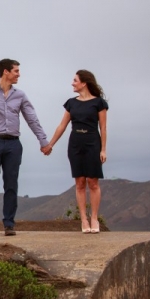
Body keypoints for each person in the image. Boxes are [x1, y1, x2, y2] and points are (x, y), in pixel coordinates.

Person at [0, 59, 50, 237]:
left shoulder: (20, 95)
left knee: (11, 184)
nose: (19, 74)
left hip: (13, 144)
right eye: (16, 71)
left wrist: (43, 141)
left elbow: (32, 119)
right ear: (6, 72)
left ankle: (9, 224)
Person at [44, 70, 108, 233]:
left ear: (84, 83)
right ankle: (84, 220)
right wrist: (50, 144)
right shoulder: (71, 103)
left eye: (75, 80)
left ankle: (94, 218)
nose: (72, 83)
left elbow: (103, 128)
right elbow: (62, 126)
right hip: (75, 143)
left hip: (93, 142)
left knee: (93, 182)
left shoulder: (99, 103)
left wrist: (103, 149)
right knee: (79, 182)